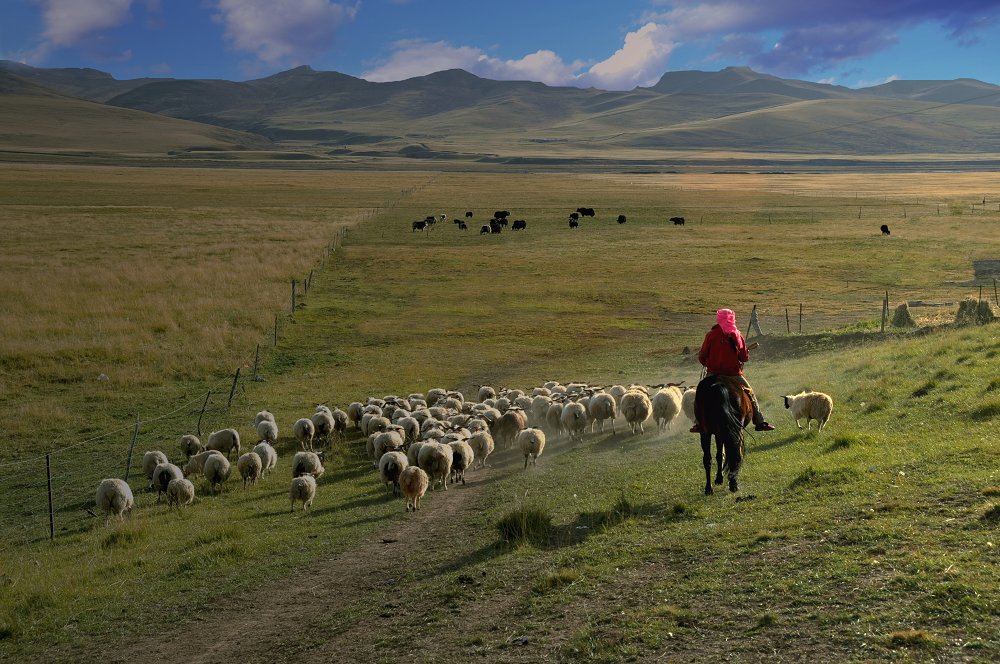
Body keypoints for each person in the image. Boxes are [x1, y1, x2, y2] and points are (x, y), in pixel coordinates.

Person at [690, 308, 775, 432]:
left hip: (713, 374)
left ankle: (698, 423)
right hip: (733, 375)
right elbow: (744, 358)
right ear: (732, 318)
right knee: (750, 393)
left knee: (700, 395)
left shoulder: (710, 335)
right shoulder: (737, 334)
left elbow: (702, 356)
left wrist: (708, 363)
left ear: (718, 319)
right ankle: (760, 422)